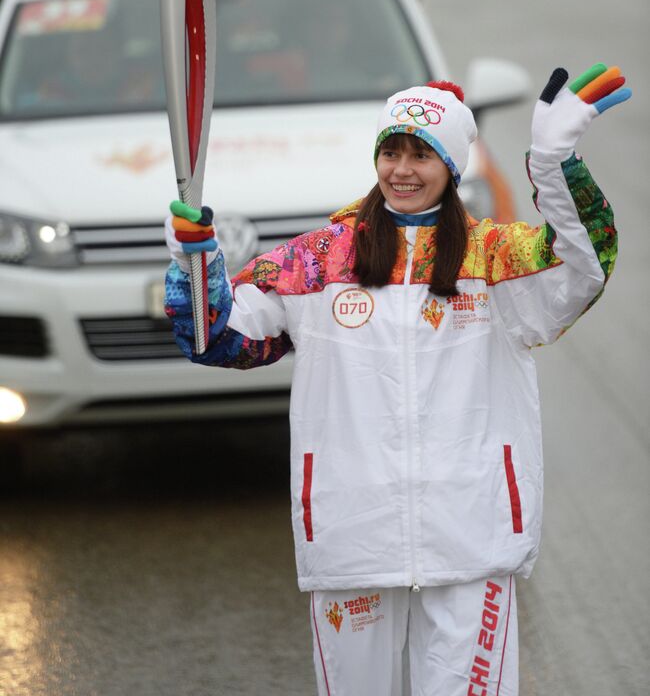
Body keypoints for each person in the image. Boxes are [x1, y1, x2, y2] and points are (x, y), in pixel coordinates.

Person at [164, 65, 630, 696]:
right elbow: (217, 338)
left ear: (453, 166)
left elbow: (585, 267)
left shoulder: (494, 260)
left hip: (471, 538)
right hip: (352, 536)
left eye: (422, 154)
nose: (402, 169)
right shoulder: (318, 260)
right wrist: (195, 261)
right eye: (391, 151)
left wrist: (554, 163)